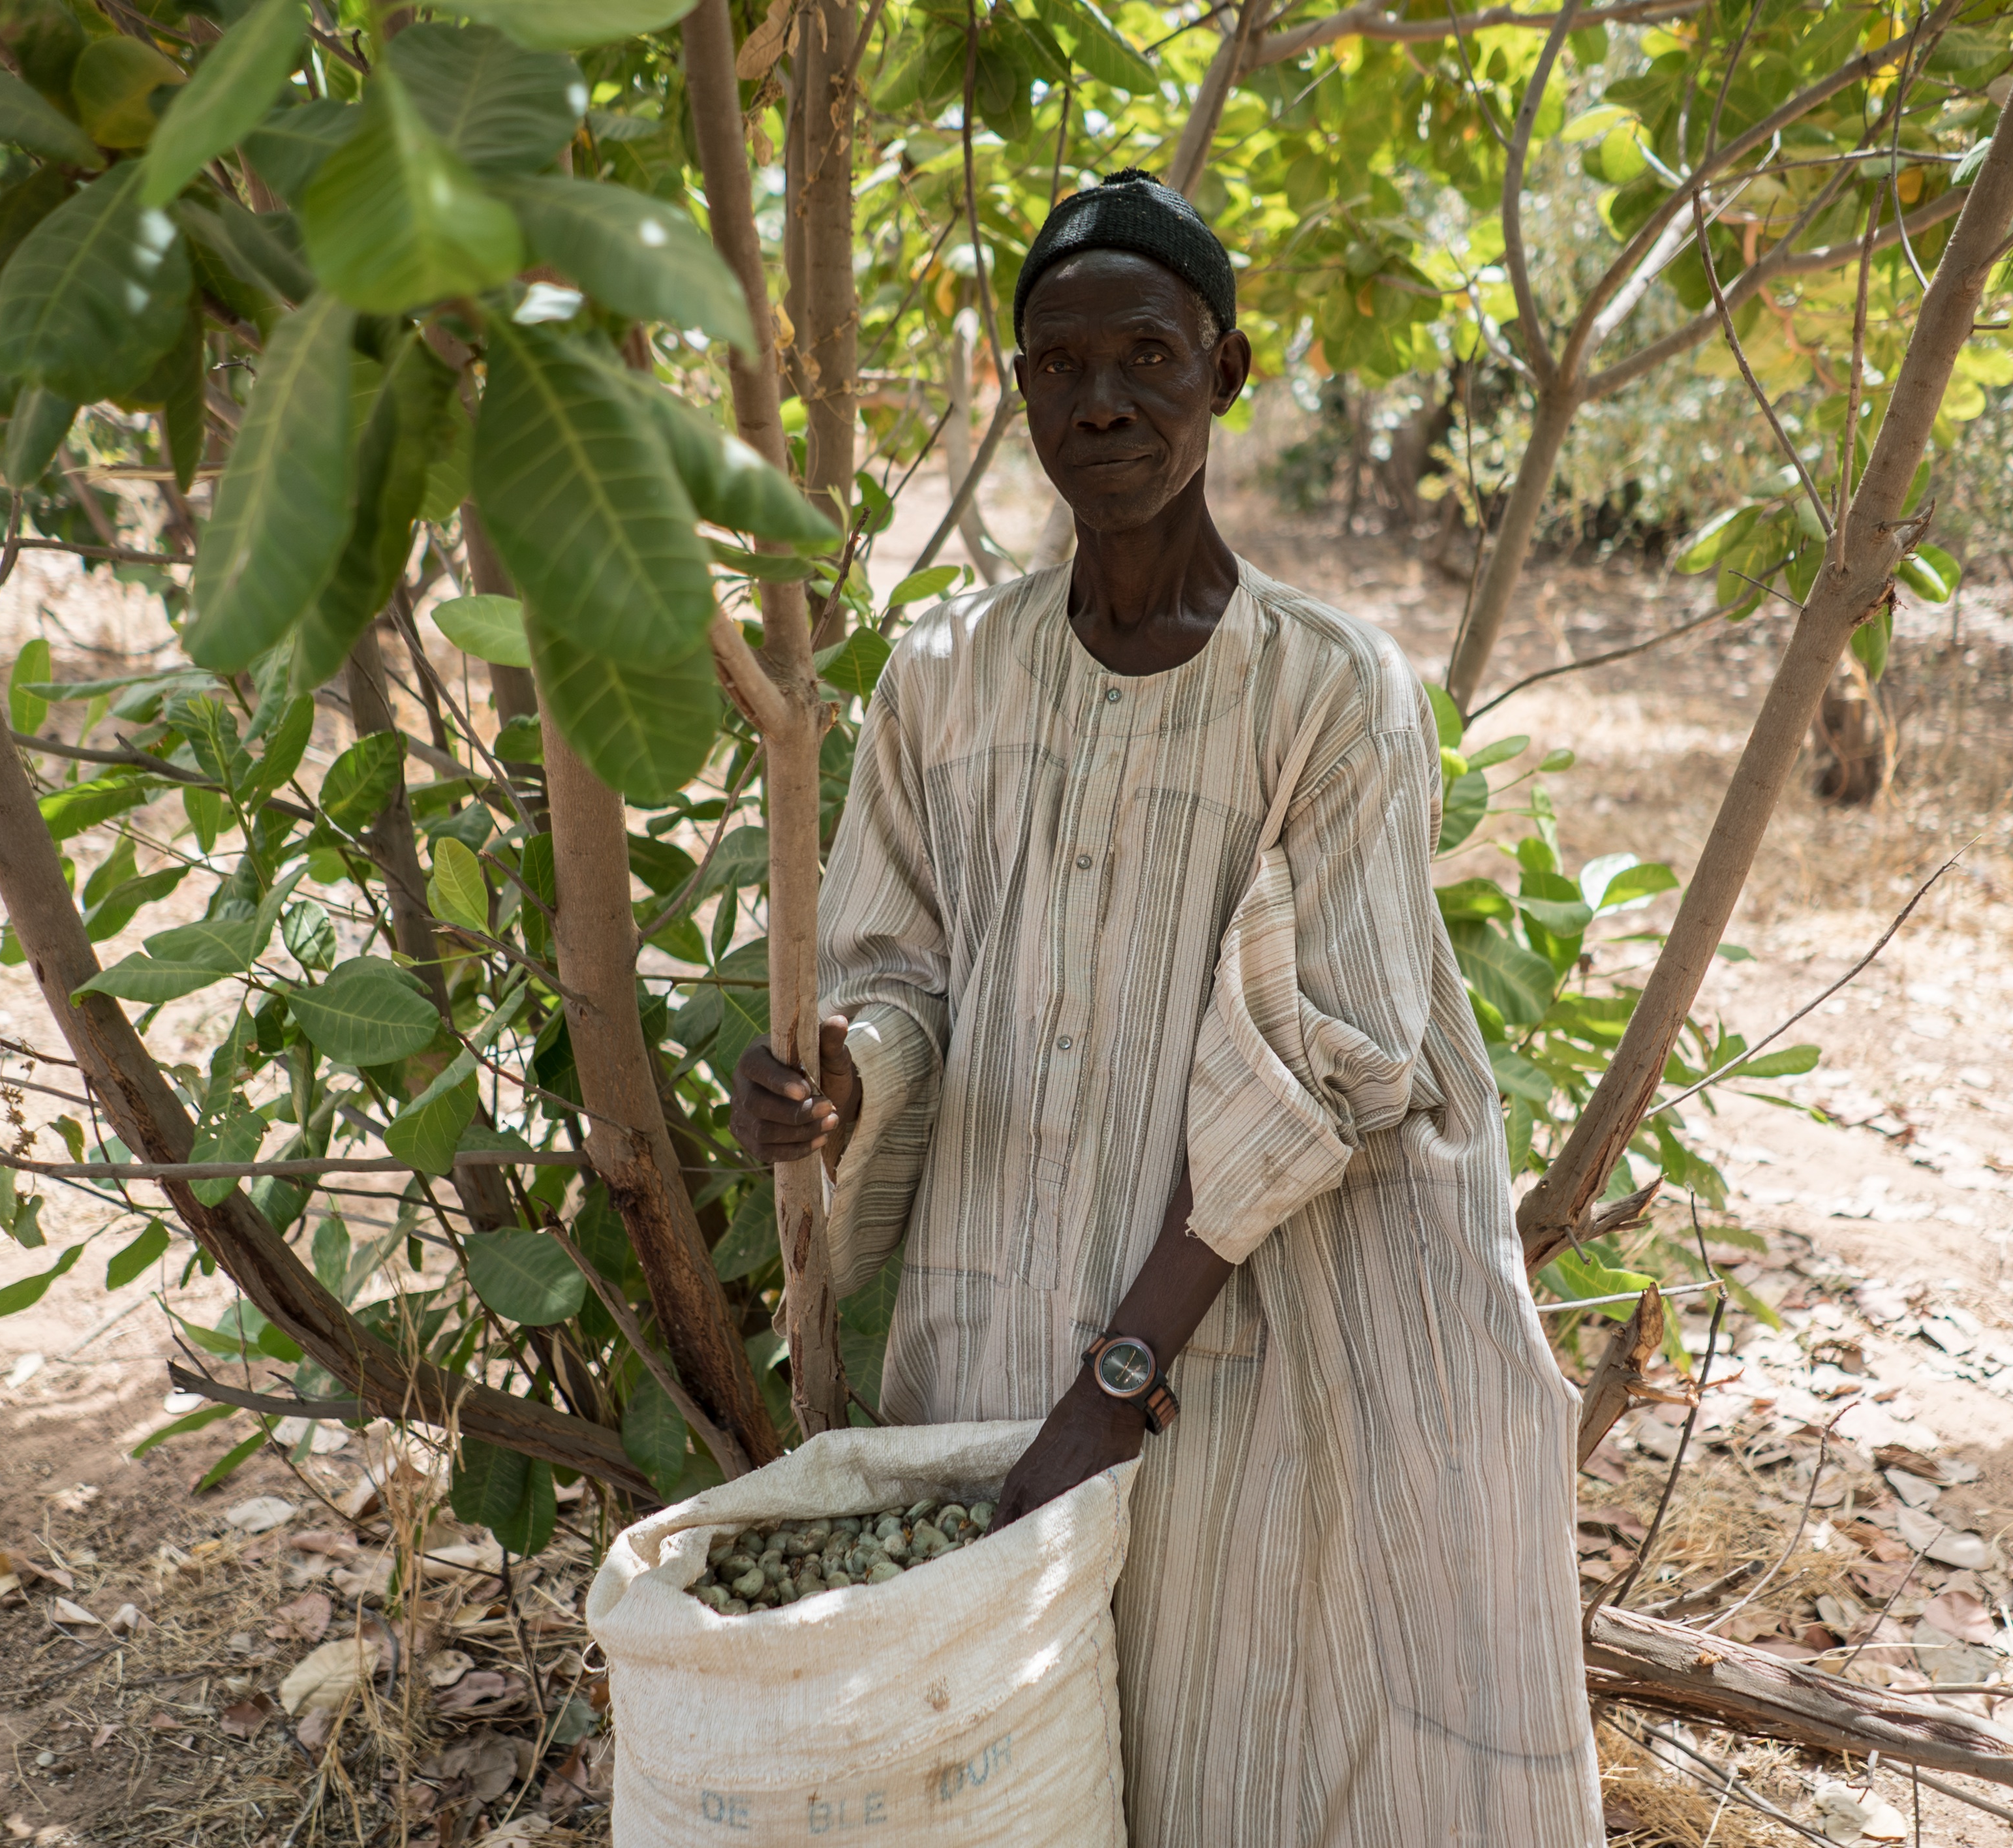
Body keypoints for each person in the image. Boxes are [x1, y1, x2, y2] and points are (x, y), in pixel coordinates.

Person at [730, 169, 1603, 1848]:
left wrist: (1118, 1377)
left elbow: (1334, 1058)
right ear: (1018, 391)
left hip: (1232, 1324)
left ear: (1228, 371)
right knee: (1004, 1757)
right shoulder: (943, 677)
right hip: (990, 1314)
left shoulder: (1328, 690)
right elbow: (890, 972)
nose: (1102, 399)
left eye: (1148, 355)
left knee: (1228, 1724)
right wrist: (838, 1086)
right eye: (1058, 367)